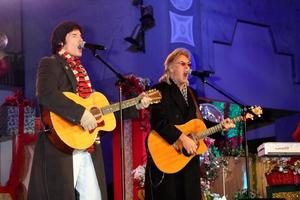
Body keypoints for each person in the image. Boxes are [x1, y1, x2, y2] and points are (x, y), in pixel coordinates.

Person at [28, 21, 151, 200]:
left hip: (87, 147)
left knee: (93, 196)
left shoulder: (82, 73)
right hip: (61, 145)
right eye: (75, 35)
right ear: (61, 42)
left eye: (81, 36)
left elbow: (103, 112)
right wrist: (80, 114)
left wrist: (135, 105)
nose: (81, 40)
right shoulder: (50, 63)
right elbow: (46, 95)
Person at [145, 48, 235, 200]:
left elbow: (197, 122)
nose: (187, 68)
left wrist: (220, 126)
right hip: (168, 156)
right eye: (182, 64)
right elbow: (158, 122)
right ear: (171, 67)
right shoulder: (159, 90)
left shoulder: (192, 93)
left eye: (188, 65)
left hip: (188, 160)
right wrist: (181, 138)